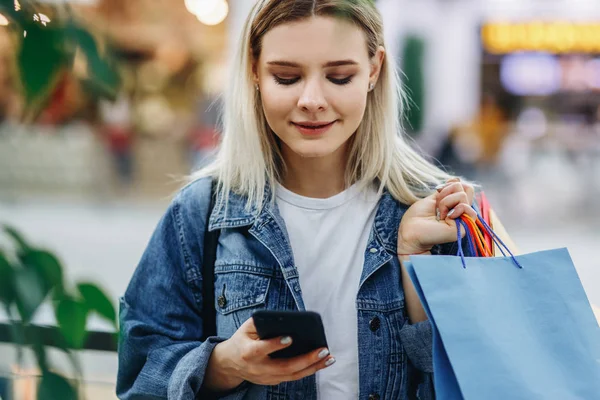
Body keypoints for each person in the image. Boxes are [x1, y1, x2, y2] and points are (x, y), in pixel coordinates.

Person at [116, 1, 483, 399]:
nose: (312, 100)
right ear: (254, 70)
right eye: (287, 77)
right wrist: (223, 365)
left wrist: (415, 263)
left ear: (374, 70)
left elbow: (478, 379)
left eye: (339, 77)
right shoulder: (201, 211)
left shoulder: (440, 211)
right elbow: (141, 374)